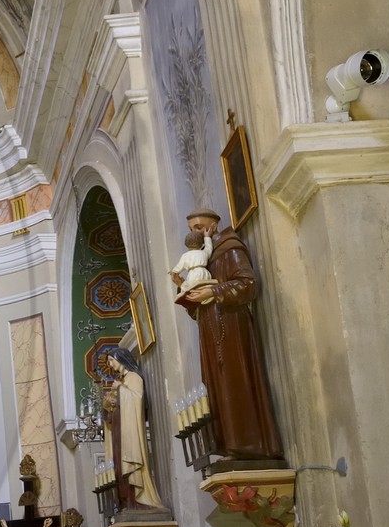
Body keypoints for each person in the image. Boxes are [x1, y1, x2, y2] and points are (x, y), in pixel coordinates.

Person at [176, 210, 284, 461]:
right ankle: (229, 446)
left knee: (235, 381)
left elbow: (248, 284)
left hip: (231, 328)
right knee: (216, 386)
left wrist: (212, 293)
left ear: (214, 226)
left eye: (199, 226)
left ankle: (249, 445)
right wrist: (188, 293)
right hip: (211, 331)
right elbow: (197, 310)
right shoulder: (204, 260)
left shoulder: (229, 248)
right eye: (192, 228)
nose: (195, 232)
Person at [101, 346, 164, 511]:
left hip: (128, 432)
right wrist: (108, 404)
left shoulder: (134, 377)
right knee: (118, 466)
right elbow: (113, 407)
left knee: (126, 464)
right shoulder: (121, 380)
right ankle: (125, 502)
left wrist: (120, 390)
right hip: (118, 429)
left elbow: (137, 399)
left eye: (111, 360)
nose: (110, 364)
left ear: (120, 359)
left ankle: (136, 500)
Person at [169, 229, 215, 301]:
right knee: (205, 285)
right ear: (201, 244)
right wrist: (207, 237)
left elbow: (179, 267)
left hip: (194, 274)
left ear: (187, 245)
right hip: (204, 272)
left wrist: (173, 271)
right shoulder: (204, 253)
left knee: (189, 287)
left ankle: (191, 295)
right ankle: (206, 297)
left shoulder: (185, 256)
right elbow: (209, 248)